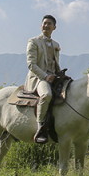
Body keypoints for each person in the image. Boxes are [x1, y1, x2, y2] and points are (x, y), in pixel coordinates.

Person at [26, 14, 62, 143]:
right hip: (39, 78)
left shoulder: (56, 44)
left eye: (49, 24)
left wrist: (60, 75)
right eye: (44, 23)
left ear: (54, 27)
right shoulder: (33, 41)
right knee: (46, 95)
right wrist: (45, 76)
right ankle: (40, 128)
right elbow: (31, 64)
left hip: (53, 76)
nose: (46, 25)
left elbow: (55, 63)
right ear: (41, 25)